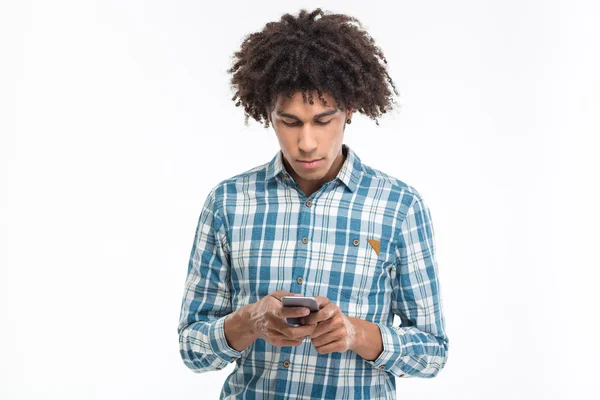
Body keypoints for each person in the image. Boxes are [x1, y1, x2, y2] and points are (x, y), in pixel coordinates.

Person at [177, 8, 449, 399]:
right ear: (267, 114)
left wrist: (356, 334)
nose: (306, 142)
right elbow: (192, 349)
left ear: (349, 111)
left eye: (323, 121)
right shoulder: (228, 203)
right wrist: (250, 321)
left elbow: (432, 353)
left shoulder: (399, 206)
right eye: (289, 122)